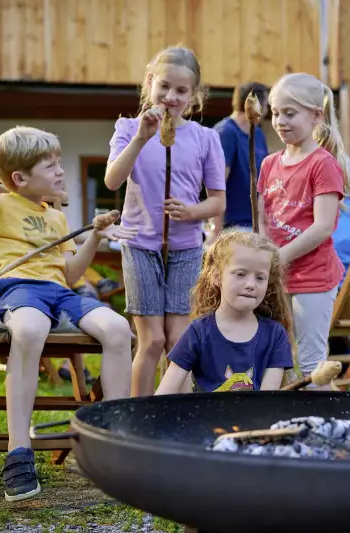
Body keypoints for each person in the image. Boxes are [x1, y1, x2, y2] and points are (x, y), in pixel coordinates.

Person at [0, 126, 136, 502]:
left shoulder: (56, 218)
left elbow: (69, 274)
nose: (60, 170)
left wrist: (95, 237)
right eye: (49, 165)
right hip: (18, 288)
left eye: (58, 163)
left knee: (119, 329)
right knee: (30, 330)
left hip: (60, 293)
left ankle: (112, 442)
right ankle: (18, 450)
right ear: (20, 178)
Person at [104, 46, 227, 397]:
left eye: (181, 90)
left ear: (194, 95)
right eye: (164, 86)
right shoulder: (128, 128)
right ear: (150, 84)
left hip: (186, 249)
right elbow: (112, 180)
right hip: (140, 245)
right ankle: (141, 417)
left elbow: (218, 201)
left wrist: (191, 211)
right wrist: (141, 138)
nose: (171, 96)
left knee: (178, 340)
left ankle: (176, 416)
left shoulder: (205, 138)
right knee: (152, 340)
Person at [256, 72, 348, 384]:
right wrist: (263, 256)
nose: (280, 121)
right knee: (276, 361)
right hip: (274, 276)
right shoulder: (269, 164)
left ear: (316, 116)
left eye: (290, 113)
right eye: (275, 113)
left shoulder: (322, 164)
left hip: (313, 278)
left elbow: (323, 227)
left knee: (311, 364)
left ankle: (323, 412)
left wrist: (278, 258)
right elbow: (263, 220)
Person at [155, 229, 294, 394]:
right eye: (240, 274)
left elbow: (266, 400)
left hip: (256, 412)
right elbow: (164, 393)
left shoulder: (275, 335)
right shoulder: (198, 332)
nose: (251, 284)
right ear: (216, 277)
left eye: (260, 278)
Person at [212, 82, 271, 236]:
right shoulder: (226, 132)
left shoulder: (258, 134)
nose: (267, 111)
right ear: (256, 105)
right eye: (266, 105)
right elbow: (218, 184)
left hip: (257, 225)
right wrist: (217, 230)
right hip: (233, 227)